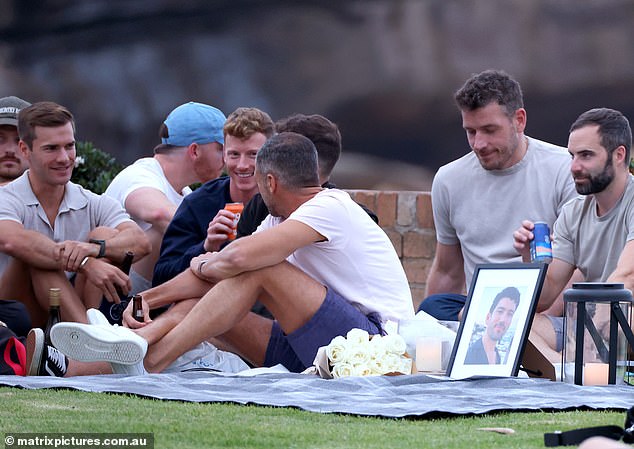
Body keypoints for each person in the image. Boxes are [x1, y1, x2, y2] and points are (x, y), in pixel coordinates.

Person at [50, 132, 415, 375]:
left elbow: (238, 260)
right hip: (316, 347)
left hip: (375, 348)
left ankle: (148, 359)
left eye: (257, 180)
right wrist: (145, 298)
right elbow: (225, 268)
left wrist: (207, 260)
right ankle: (75, 363)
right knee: (208, 301)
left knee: (260, 270)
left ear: (269, 181)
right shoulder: (278, 221)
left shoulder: (330, 205)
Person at [419, 69, 576, 322]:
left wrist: (533, 321)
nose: (479, 144)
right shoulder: (448, 180)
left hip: (545, 306)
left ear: (519, 120)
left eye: (490, 130)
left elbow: (579, 268)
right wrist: (428, 331)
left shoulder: (565, 169)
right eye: (471, 132)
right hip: (479, 307)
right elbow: (448, 272)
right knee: (432, 308)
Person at [0, 101, 150, 327]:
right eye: (51, 148)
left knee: (104, 234)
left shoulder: (92, 201)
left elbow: (140, 242)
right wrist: (85, 262)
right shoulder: (6, 197)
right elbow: (11, 240)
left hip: (71, 308)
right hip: (13, 317)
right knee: (37, 258)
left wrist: (95, 249)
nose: (63, 158)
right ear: (25, 150)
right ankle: (91, 340)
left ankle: (89, 337)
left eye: (69, 146)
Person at [513, 108, 634, 354]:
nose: (574, 167)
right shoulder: (573, 212)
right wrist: (530, 260)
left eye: (586, 155)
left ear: (619, 154)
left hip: (621, 322)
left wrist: (598, 327)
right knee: (511, 322)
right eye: (572, 156)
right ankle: (565, 372)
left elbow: (627, 277)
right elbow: (544, 298)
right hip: (588, 331)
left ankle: (576, 370)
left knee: (623, 311)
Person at [104, 102, 226, 294]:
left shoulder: (186, 194)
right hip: (113, 298)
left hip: (150, 289)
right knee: (171, 228)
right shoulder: (139, 174)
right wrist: (224, 244)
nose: (227, 158)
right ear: (194, 151)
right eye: (221, 149)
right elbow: (159, 214)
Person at [151, 107, 274, 286]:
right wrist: (206, 246)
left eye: (253, 155)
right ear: (224, 155)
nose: (242, 165)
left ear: (270, 156)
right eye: (234, 154)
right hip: (204, 300)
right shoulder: (198, 203)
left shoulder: (283, 202)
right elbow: (162, 277)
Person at [236, 113, 378, 239]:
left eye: (281, 151)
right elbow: (237, 259)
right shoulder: (262, 206)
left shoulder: (348, 216)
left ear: (307, 159)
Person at [0, 95, 32, 335]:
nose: (10, 150)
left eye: (18, 140)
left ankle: (89, 339)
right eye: (0, 140)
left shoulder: (62, 195)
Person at [464, 286, 520, 365]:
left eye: (510, 314)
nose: (503, 319)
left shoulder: (497, 356)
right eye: (500, 311)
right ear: (488, 318)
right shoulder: (471, 354)